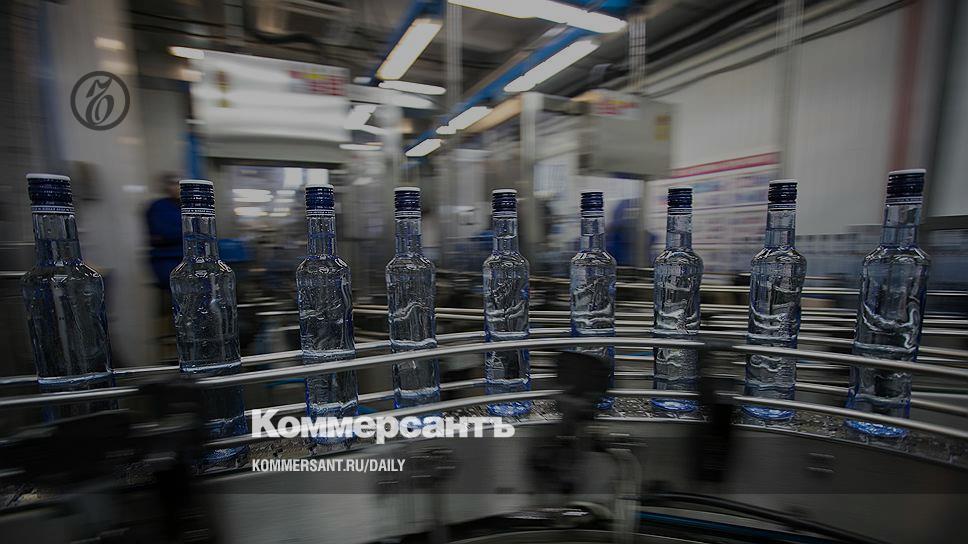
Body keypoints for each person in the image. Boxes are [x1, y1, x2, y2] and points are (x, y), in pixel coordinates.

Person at [145, 173, 182, 290]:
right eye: (172, 184)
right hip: (165, 258)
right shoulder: (158, 207)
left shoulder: (186, 206)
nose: (176, 187)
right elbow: (160, 234)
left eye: (178, 184)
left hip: (183, 255)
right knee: (173, 289)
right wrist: (184, 233)